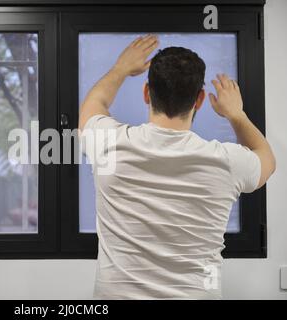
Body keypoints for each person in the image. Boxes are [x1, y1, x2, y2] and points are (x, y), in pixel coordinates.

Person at [79, 34, 276, 299]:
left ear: (147, 93)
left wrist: (121, 69)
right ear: (200, 100)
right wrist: (236, 114)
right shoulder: (227, 162)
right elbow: (266, 158)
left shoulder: (109, 145)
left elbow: (93, 107)